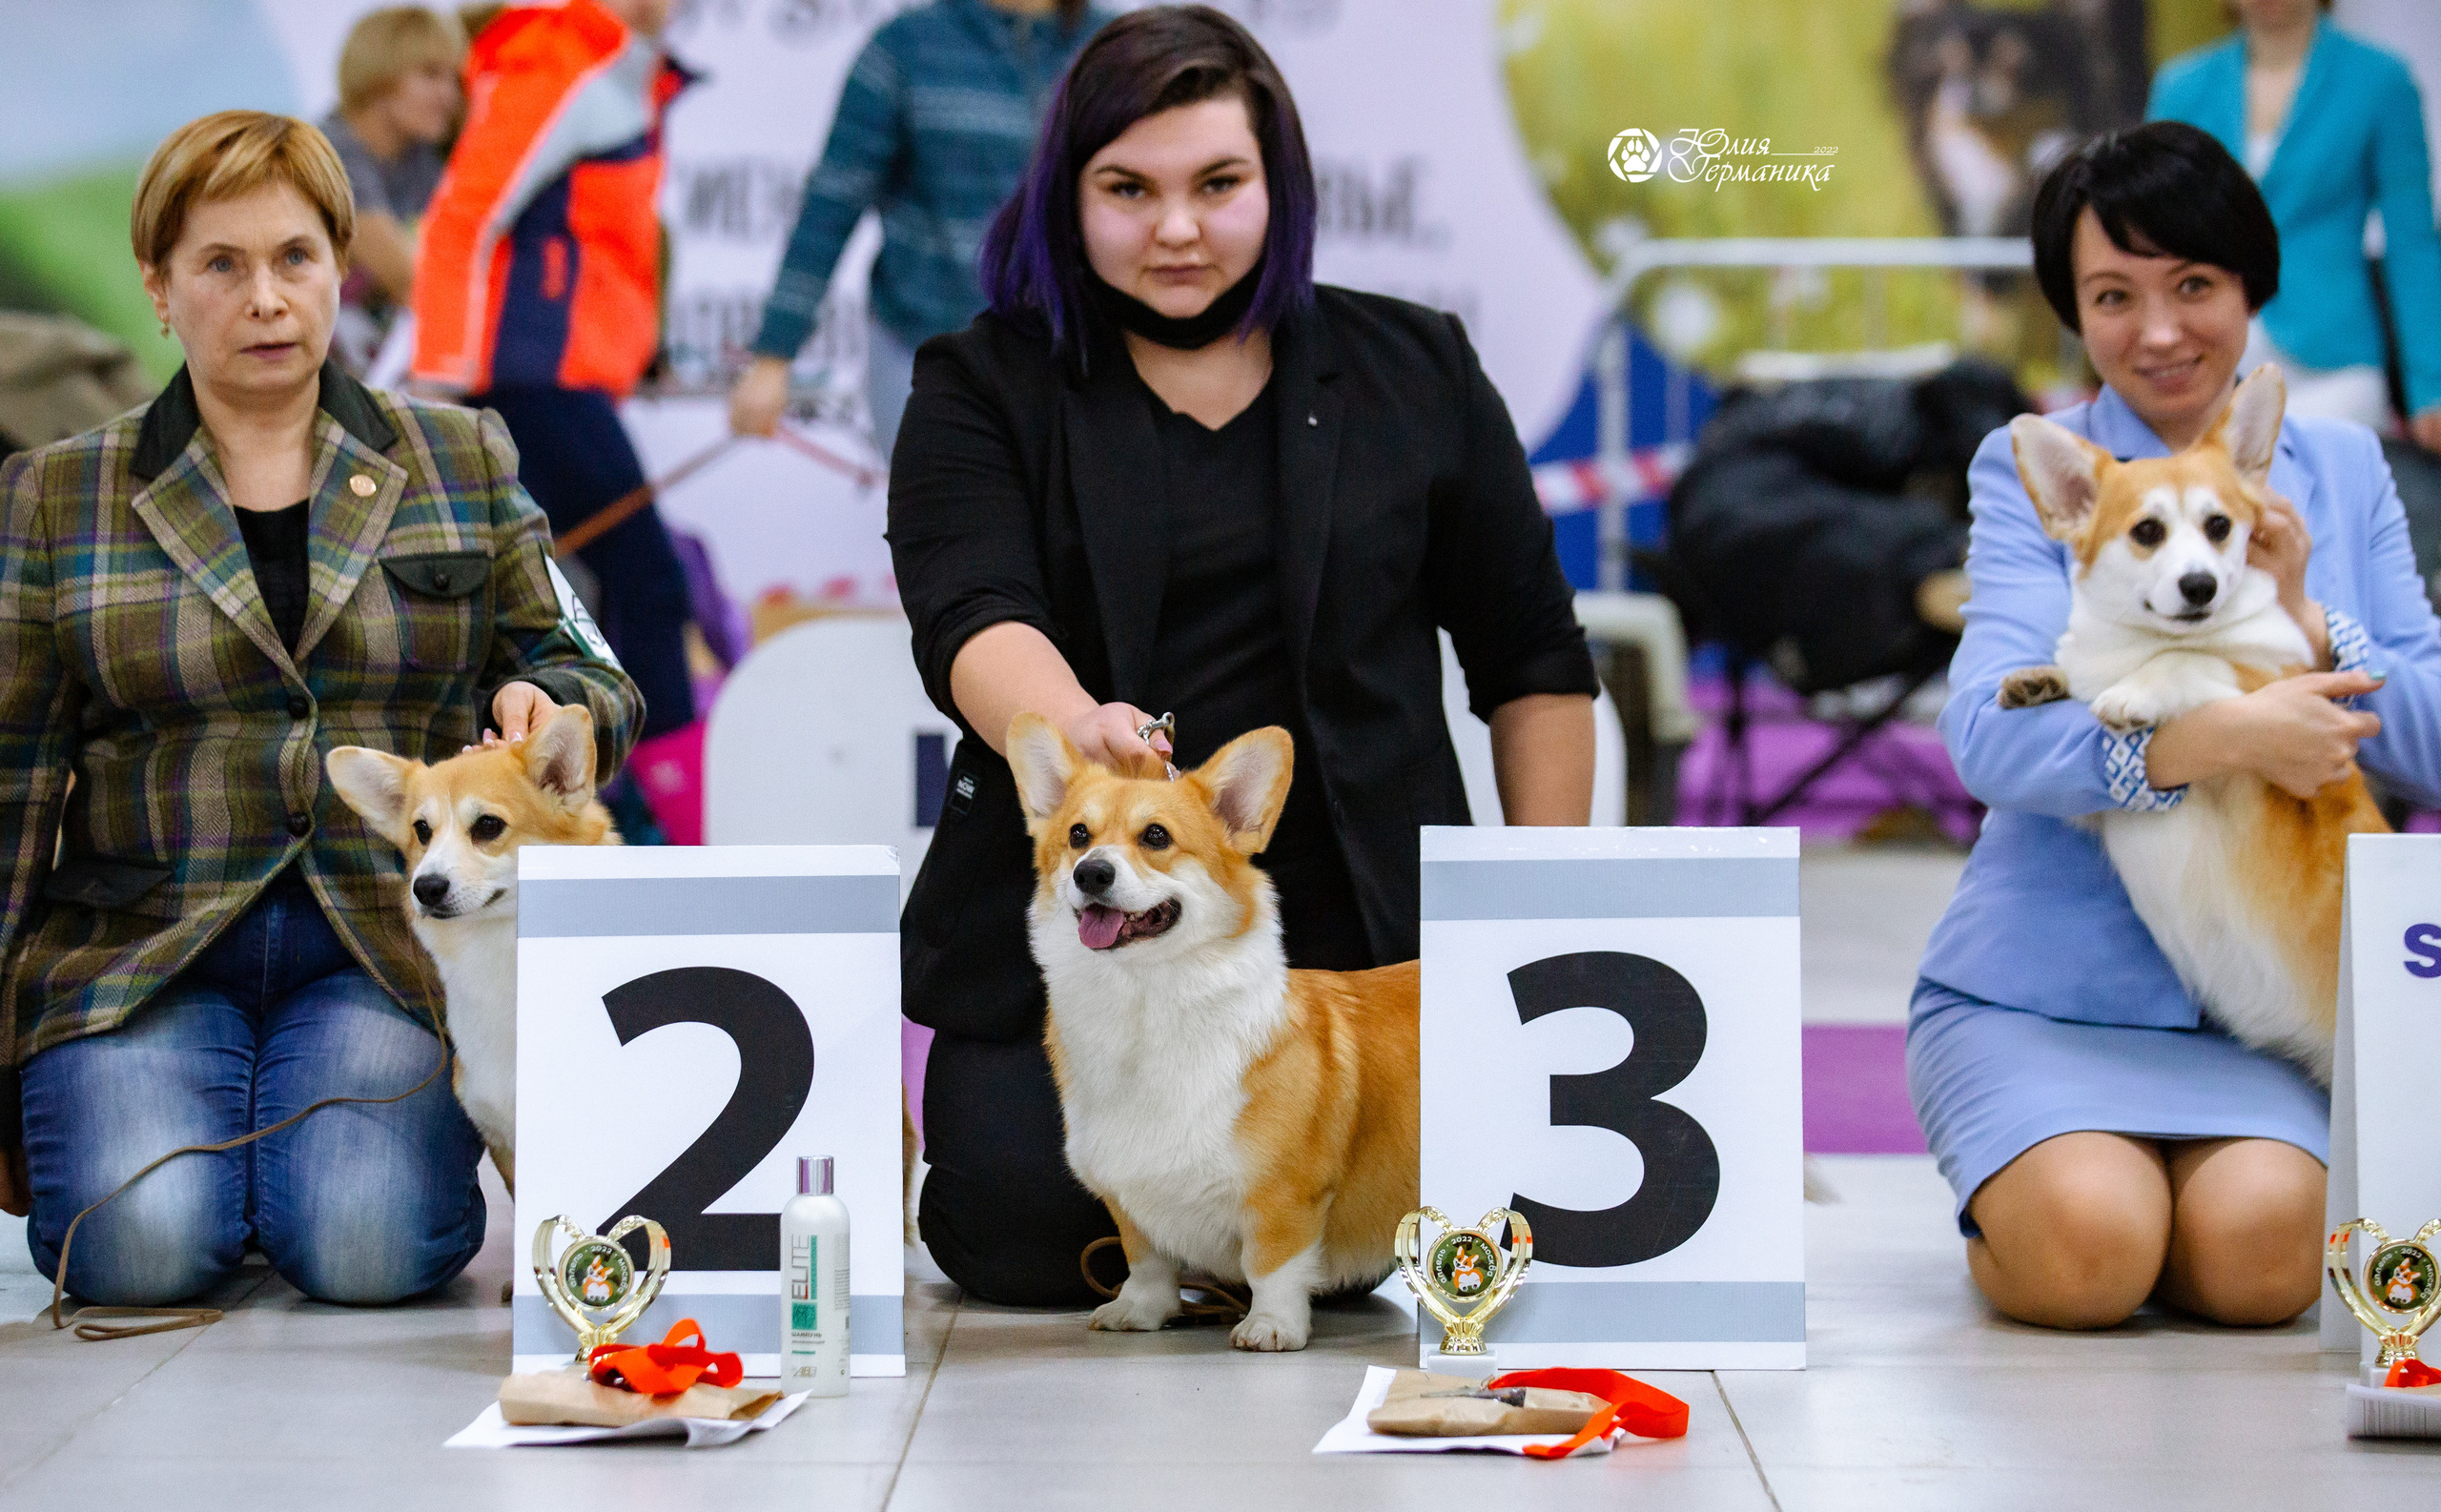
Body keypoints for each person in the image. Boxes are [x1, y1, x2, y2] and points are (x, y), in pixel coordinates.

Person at [890, 6, 1600, 1305]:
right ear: (1067, 195)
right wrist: (1078, 735)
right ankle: (1270, 1245)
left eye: (1219, 185)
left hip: (1361, 942)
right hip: (1096, 919)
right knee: (1013, 1226)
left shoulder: (1416, 366)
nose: (1177, 228)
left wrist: (1539, 918)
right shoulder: (979, 382)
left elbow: (1534, 656)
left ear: (1280, 185)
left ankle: (1281, 1239)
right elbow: (969, 616)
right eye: (1129, 189)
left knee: (1455, 1210)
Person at [0, 112, 640, 1304]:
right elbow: (11, 779)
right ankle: (216, 1160)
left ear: (339, 269)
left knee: (368, 1249)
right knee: (138, 1252)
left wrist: (552, 698)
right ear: (158, 289)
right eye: (221, 265)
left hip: (386, 945)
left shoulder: (464, 455)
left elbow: (591, 664)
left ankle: (275, 1171)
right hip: (143, 949)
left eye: (295, 258)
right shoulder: (56, 492)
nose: (266, 298)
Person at [1909, 121, 2441, 1330]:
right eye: (2112, 296)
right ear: (2073, 311)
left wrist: (2309, 623)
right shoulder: (2043, 472)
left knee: (2261, 1266)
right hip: (2047, 989)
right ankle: (2036, 1209)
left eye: (2192, 285)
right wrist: (2217, 738)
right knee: (2087, 1257)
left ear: (2250, 283)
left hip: (2268, 1018)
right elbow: (1987, 732)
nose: (2157, 331)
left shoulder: (2344, 469)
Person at [410, 0, 698, 838]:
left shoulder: (609, 61)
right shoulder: (560, 56)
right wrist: (438, 387)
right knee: (647, 585)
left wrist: (638, 347)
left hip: (554, 376)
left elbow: (592, 235)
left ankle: (636, 815)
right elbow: (465, 216)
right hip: (525, 377)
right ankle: (668, 826)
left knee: (596, 594)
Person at [728, 0, 1113, 460]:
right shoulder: (906, 46)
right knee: (948, 528)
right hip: (927, 350)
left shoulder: (1116, 51)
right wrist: (774, 355)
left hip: (1081, 359)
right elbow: (830, 206)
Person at [2149, 0, 2441, 448]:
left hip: (2334, 361)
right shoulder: (2181, 86)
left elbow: (2413, 244)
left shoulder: (2381, 80)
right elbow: (2155, 236)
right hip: (2207, 356)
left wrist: (2431, 388)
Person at [319, 6, 464, 375]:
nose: (449, 95)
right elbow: (410, 279)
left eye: (453, 79)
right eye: (431, 75)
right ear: (380, 80)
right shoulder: (330, 152)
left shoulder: (420, 158)